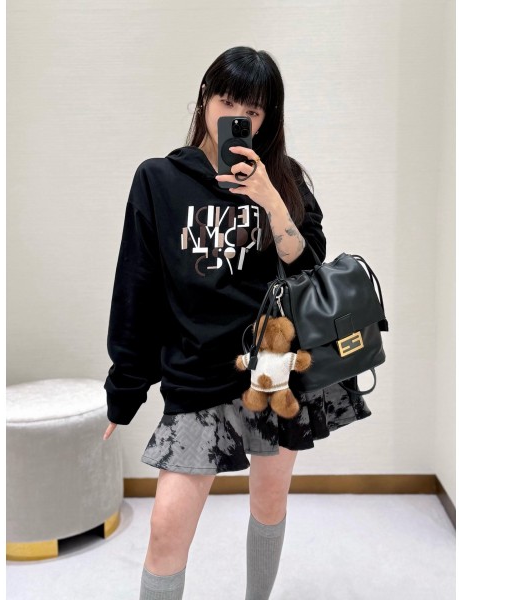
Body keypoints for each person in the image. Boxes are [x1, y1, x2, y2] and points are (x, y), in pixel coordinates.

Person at [102, 46, 371, 600]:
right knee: (165, 530)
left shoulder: (283, 180)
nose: (239, 117)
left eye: (253, 110)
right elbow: (136, 287)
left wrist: (272, 201)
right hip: (197, 371)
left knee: (269, 503)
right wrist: (124, 388)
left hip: (274, 370)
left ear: (267, 118)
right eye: (228, 102)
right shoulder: (158, 179)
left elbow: (310, 269)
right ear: (205, 99)